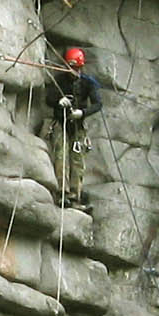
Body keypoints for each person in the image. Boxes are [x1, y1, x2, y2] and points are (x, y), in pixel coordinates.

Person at [42, 44, 102, 202]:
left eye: (78, 68)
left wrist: (82, 113)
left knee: (77, 159)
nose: (75, 72)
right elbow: (48, 99)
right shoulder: (60, 80)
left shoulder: (89, 83)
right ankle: (62, 192)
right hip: (61, 123)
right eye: (72, 68)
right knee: (61, 156)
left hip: (78, 125)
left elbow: (98, 104)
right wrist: (58, 101)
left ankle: (75, 194)